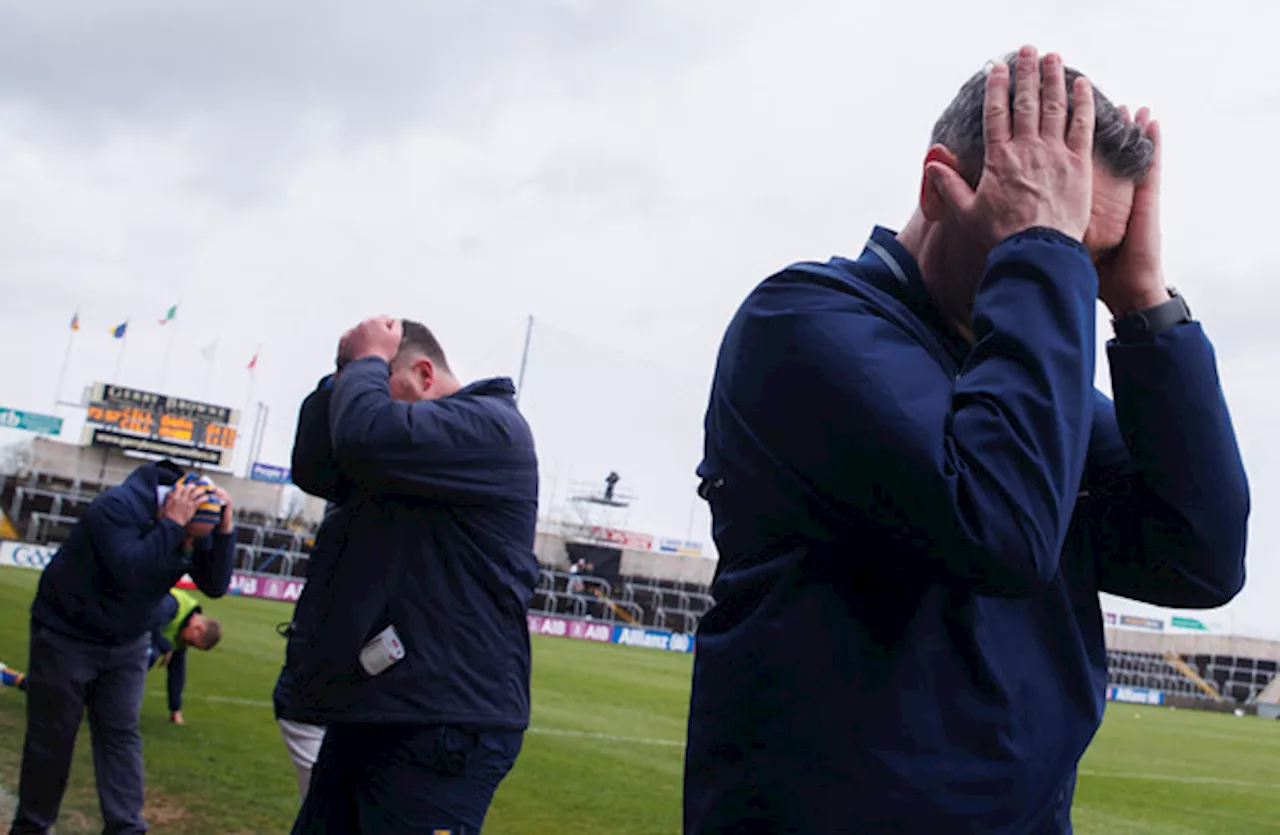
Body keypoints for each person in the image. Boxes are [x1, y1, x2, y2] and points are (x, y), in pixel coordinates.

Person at [685, 46, 1249, 834]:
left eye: (1095, 262)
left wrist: (1147, 307)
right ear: (937, 187)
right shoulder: (801, 325)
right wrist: (1044, 259)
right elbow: (1000, 530)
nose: (1076, 288)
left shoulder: (1034, 384)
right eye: (1049, 235)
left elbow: (1202, 557)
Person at [286, 317, 540, 834]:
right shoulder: (397, 452)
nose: (367, 403)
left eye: (382, 389)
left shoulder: (490, 428)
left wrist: (365, 367)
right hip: (379, 708)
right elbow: (314, 465)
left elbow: (363, 437)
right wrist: (349, 373)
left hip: (443, 722)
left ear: (425, 375)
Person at [11, 461, 235, 835]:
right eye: (193, 538)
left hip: (128, 640)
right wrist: (171, 527)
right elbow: (129, 572)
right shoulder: (116, 507)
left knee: (120, 736)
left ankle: (126, 829)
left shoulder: (199, 516)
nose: (193, 547)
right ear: (176, 506)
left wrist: (225, 531)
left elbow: (214, 584)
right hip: (67, 633)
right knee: (53, 738)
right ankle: (33, 826)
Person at [145, 586, 224, 726]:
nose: (187, 644)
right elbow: (149, 620)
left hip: (133, 632)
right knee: (149, 654)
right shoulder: (173, 605)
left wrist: (175, 709)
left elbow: (177, 671)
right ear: (198, 629)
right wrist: (165, 647)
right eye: (191, 643)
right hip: (121, 618)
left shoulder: (184, 630)